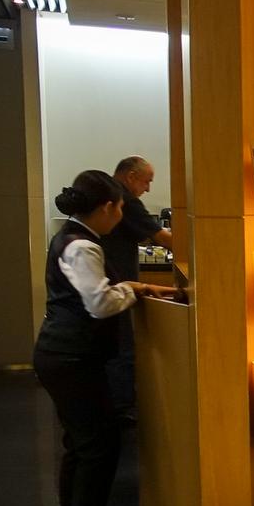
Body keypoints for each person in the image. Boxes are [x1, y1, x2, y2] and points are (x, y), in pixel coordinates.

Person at [34, 171, 170, 506]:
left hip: (65, 356)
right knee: (96, 451)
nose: (121, 216)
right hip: (72, 358)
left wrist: (132, 286)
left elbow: (93, 293)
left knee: (82, 449)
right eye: (120, 208)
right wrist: (132, 290)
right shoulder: (83, 246)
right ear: (108, 207)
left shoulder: (72, 237)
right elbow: (100, 305)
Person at [103, 156, 173, 415]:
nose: (148, 189)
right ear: (131, 176)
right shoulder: (126, 200)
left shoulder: (110, 193)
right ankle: (121, 408)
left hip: (113, 281)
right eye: (147, 181)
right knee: (122, 346)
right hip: (117, 282)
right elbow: (163, 238)